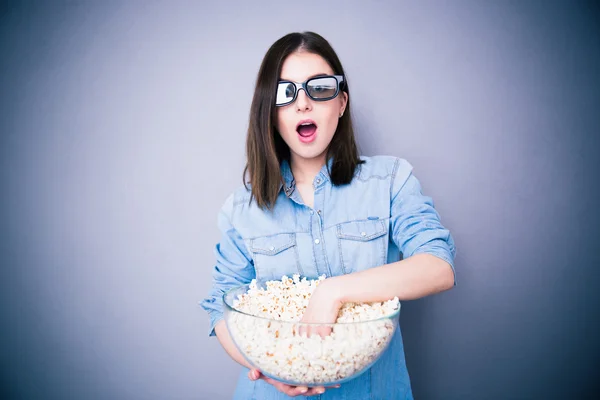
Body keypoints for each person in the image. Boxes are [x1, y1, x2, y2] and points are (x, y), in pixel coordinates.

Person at [200, 31, 456, 399]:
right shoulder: (244, 209)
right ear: (270, 114)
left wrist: (332, 292)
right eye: (285, 93)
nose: (303, 104)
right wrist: (266, 365)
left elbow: (438, 266)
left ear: (341, 102)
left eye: (318, 88)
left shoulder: (390, 181)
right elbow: (220, 305)